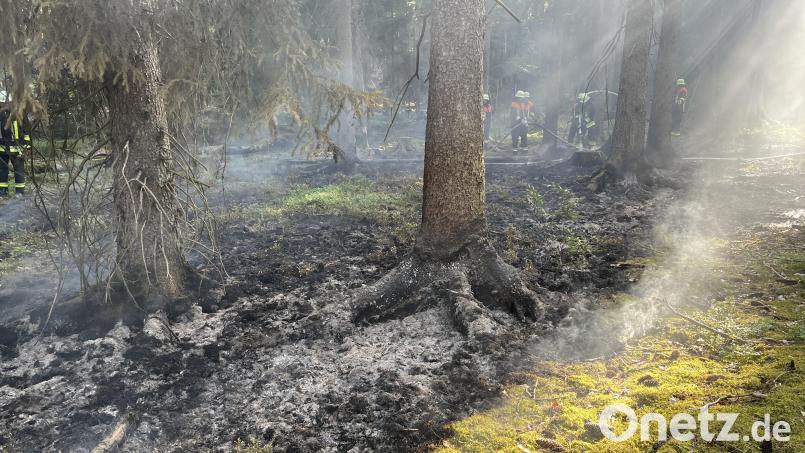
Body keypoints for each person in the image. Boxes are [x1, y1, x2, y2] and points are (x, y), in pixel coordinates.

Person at [0, 91, 28, 197]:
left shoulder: (19, 113)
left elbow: (26, 130)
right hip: (2, 148)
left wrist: (26, 145)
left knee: (18, 171)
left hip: (17, 149)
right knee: (2, 171)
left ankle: (19, 192)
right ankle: (3, 191)